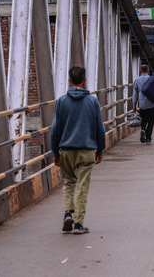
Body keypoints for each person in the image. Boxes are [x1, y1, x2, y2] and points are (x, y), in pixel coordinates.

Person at [51, 66, 105, 234]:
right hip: (87, 149)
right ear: (84, 81)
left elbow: (55, 129)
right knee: (82, 186)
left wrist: (55, 152)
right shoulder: (92, 101)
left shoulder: (61, 101)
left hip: (66, 149)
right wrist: (100, 150)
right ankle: (79, 224)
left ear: (69, 81)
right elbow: (99, 128)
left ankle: (68, 213)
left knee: (68, 182)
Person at [133, 64, 154, 145]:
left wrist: (134, 105)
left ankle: (143, 129)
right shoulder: (152, 79)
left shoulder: (137, 80)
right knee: (151, 121)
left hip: (142, 104)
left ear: (140, 71)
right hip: (152, 103)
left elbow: (135, 94)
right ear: (148, 71)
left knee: (143, 119)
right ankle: (148, 139)